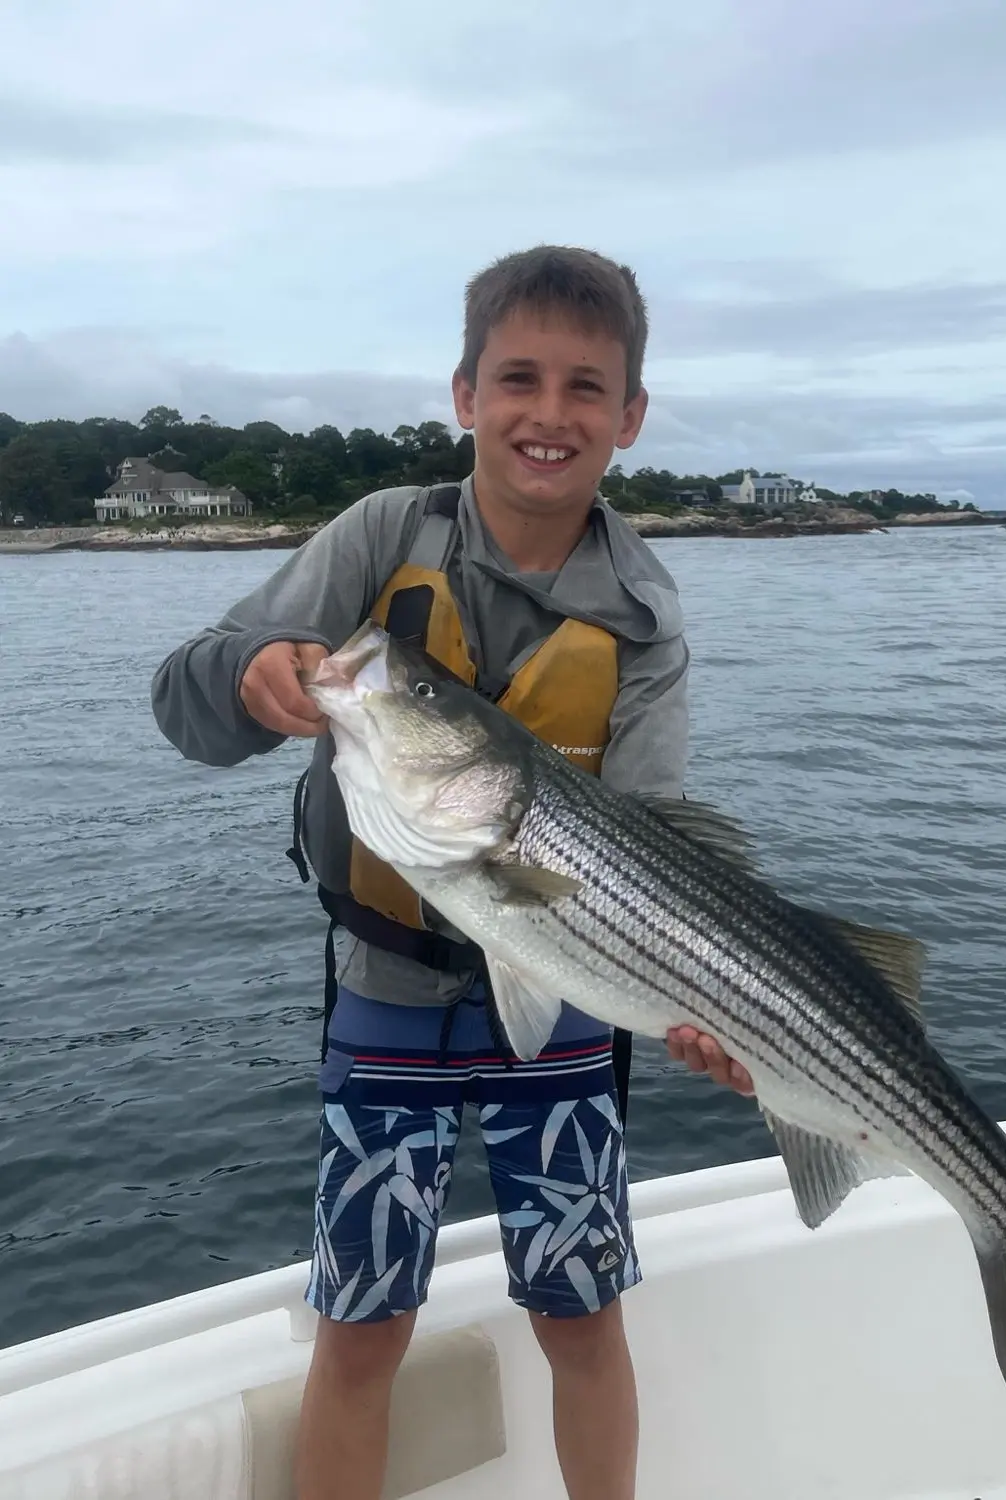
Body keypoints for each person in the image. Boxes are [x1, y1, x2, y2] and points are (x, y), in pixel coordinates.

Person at [151, 244, 753, 1500]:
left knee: (582, 1316)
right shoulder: (384, 533)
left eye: (586, 387)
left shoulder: (643, 609)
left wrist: (708, 999)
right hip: (389, 987)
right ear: (465, 393)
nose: (549, 413)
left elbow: (653, 843)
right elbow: (189, 699)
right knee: (362, 1324)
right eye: (518, 379)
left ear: (630, 416)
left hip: (579, 991)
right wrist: (250, 679)